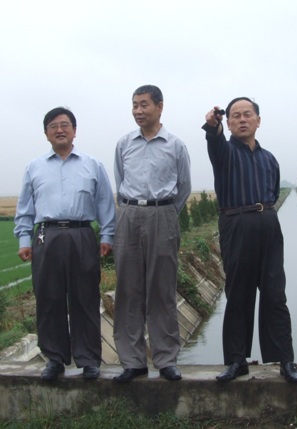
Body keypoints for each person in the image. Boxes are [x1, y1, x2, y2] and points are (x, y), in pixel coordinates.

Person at [203, 97, 297, 383]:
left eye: (247, 114)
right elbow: (215, 140)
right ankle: (236, 360)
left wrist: (264, 215)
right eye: (236, 116)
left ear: (258, 120)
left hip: (268, 224)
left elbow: (274, 193)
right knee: (238, 295)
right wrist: (213, 126)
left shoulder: (269, 158)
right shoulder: (224, 152)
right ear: (228, 123)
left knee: (275, 293)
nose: (242, 120)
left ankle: (285, 359)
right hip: (236, 224)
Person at [14, 107, 116, 381]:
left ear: (74, 130)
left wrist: (107, 236)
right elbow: (25, 207)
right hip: (46, 236)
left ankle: (89, 359)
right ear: (46, 133)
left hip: (81, 234)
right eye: (53, 126)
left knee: (85, 297)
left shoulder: (92, 165)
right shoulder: (34, 167)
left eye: (65, 125)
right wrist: (24, 239)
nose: (59, 130)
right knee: (49, 299)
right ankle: (55, 359)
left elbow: (105, 203)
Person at [112, 85, 191, 382]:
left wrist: (165, 213)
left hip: (163, 215)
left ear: (160, 107)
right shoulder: (124, 144)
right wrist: (132, 210)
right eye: (134, 105)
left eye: (144, 104)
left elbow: (184, 186)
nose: (138, 110)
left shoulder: (175, 145)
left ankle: (166, 358)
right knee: (127, 290)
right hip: (129, 215)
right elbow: (120, 181)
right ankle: (132, 361)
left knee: (162, 289)